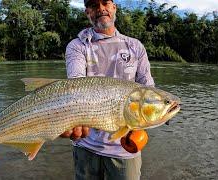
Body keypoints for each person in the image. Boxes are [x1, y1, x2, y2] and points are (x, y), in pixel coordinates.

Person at [61, 0, 155, 179]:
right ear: (87, 12)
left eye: (105, 2)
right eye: (94, 5)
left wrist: (144, 125)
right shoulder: (78, 46)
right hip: (85, 145)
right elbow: (76, 84)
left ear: (114, 7)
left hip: (124, 149)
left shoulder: (135, 47)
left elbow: (148, 89)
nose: (101, 9)